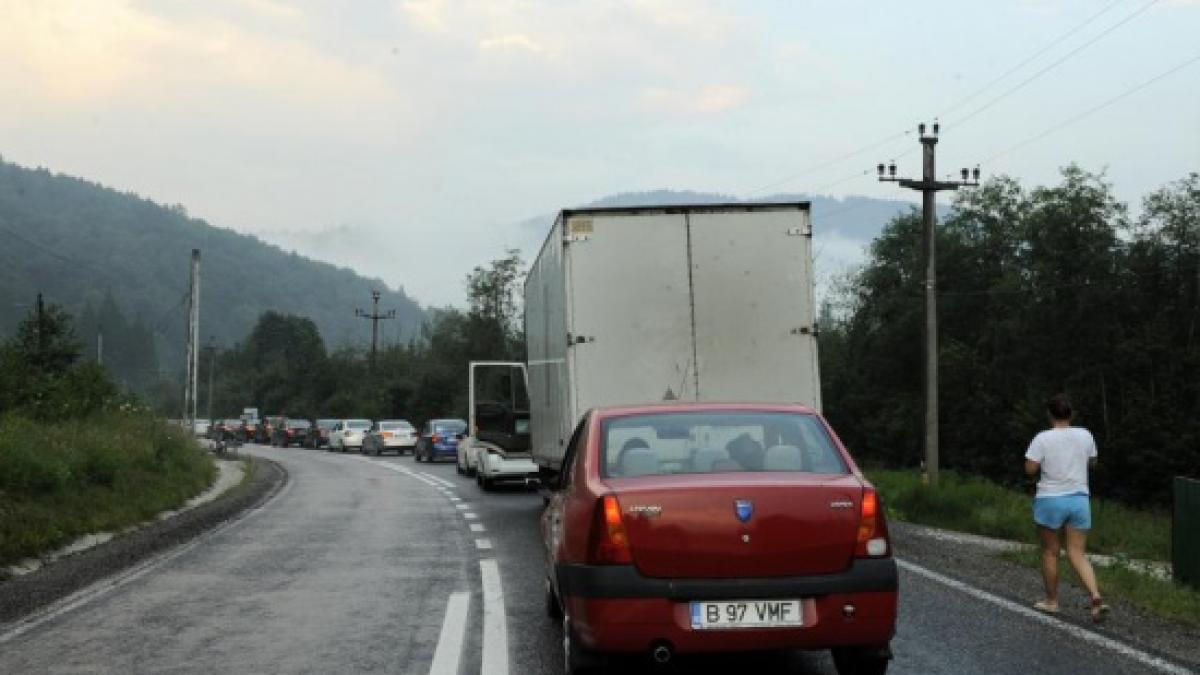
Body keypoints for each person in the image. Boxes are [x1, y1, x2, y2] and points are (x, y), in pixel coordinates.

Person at [1024, 393, 1110, 622]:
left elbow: (1030, 469)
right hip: (1079, 499)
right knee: (1077, 553)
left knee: (1050, 552)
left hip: (1050, 500)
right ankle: (1095, 596)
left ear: (1049, 415)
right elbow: (1093, 462)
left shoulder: (1042, 438)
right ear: (1072, 414)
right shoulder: (1085, 435)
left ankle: (1052, 601)